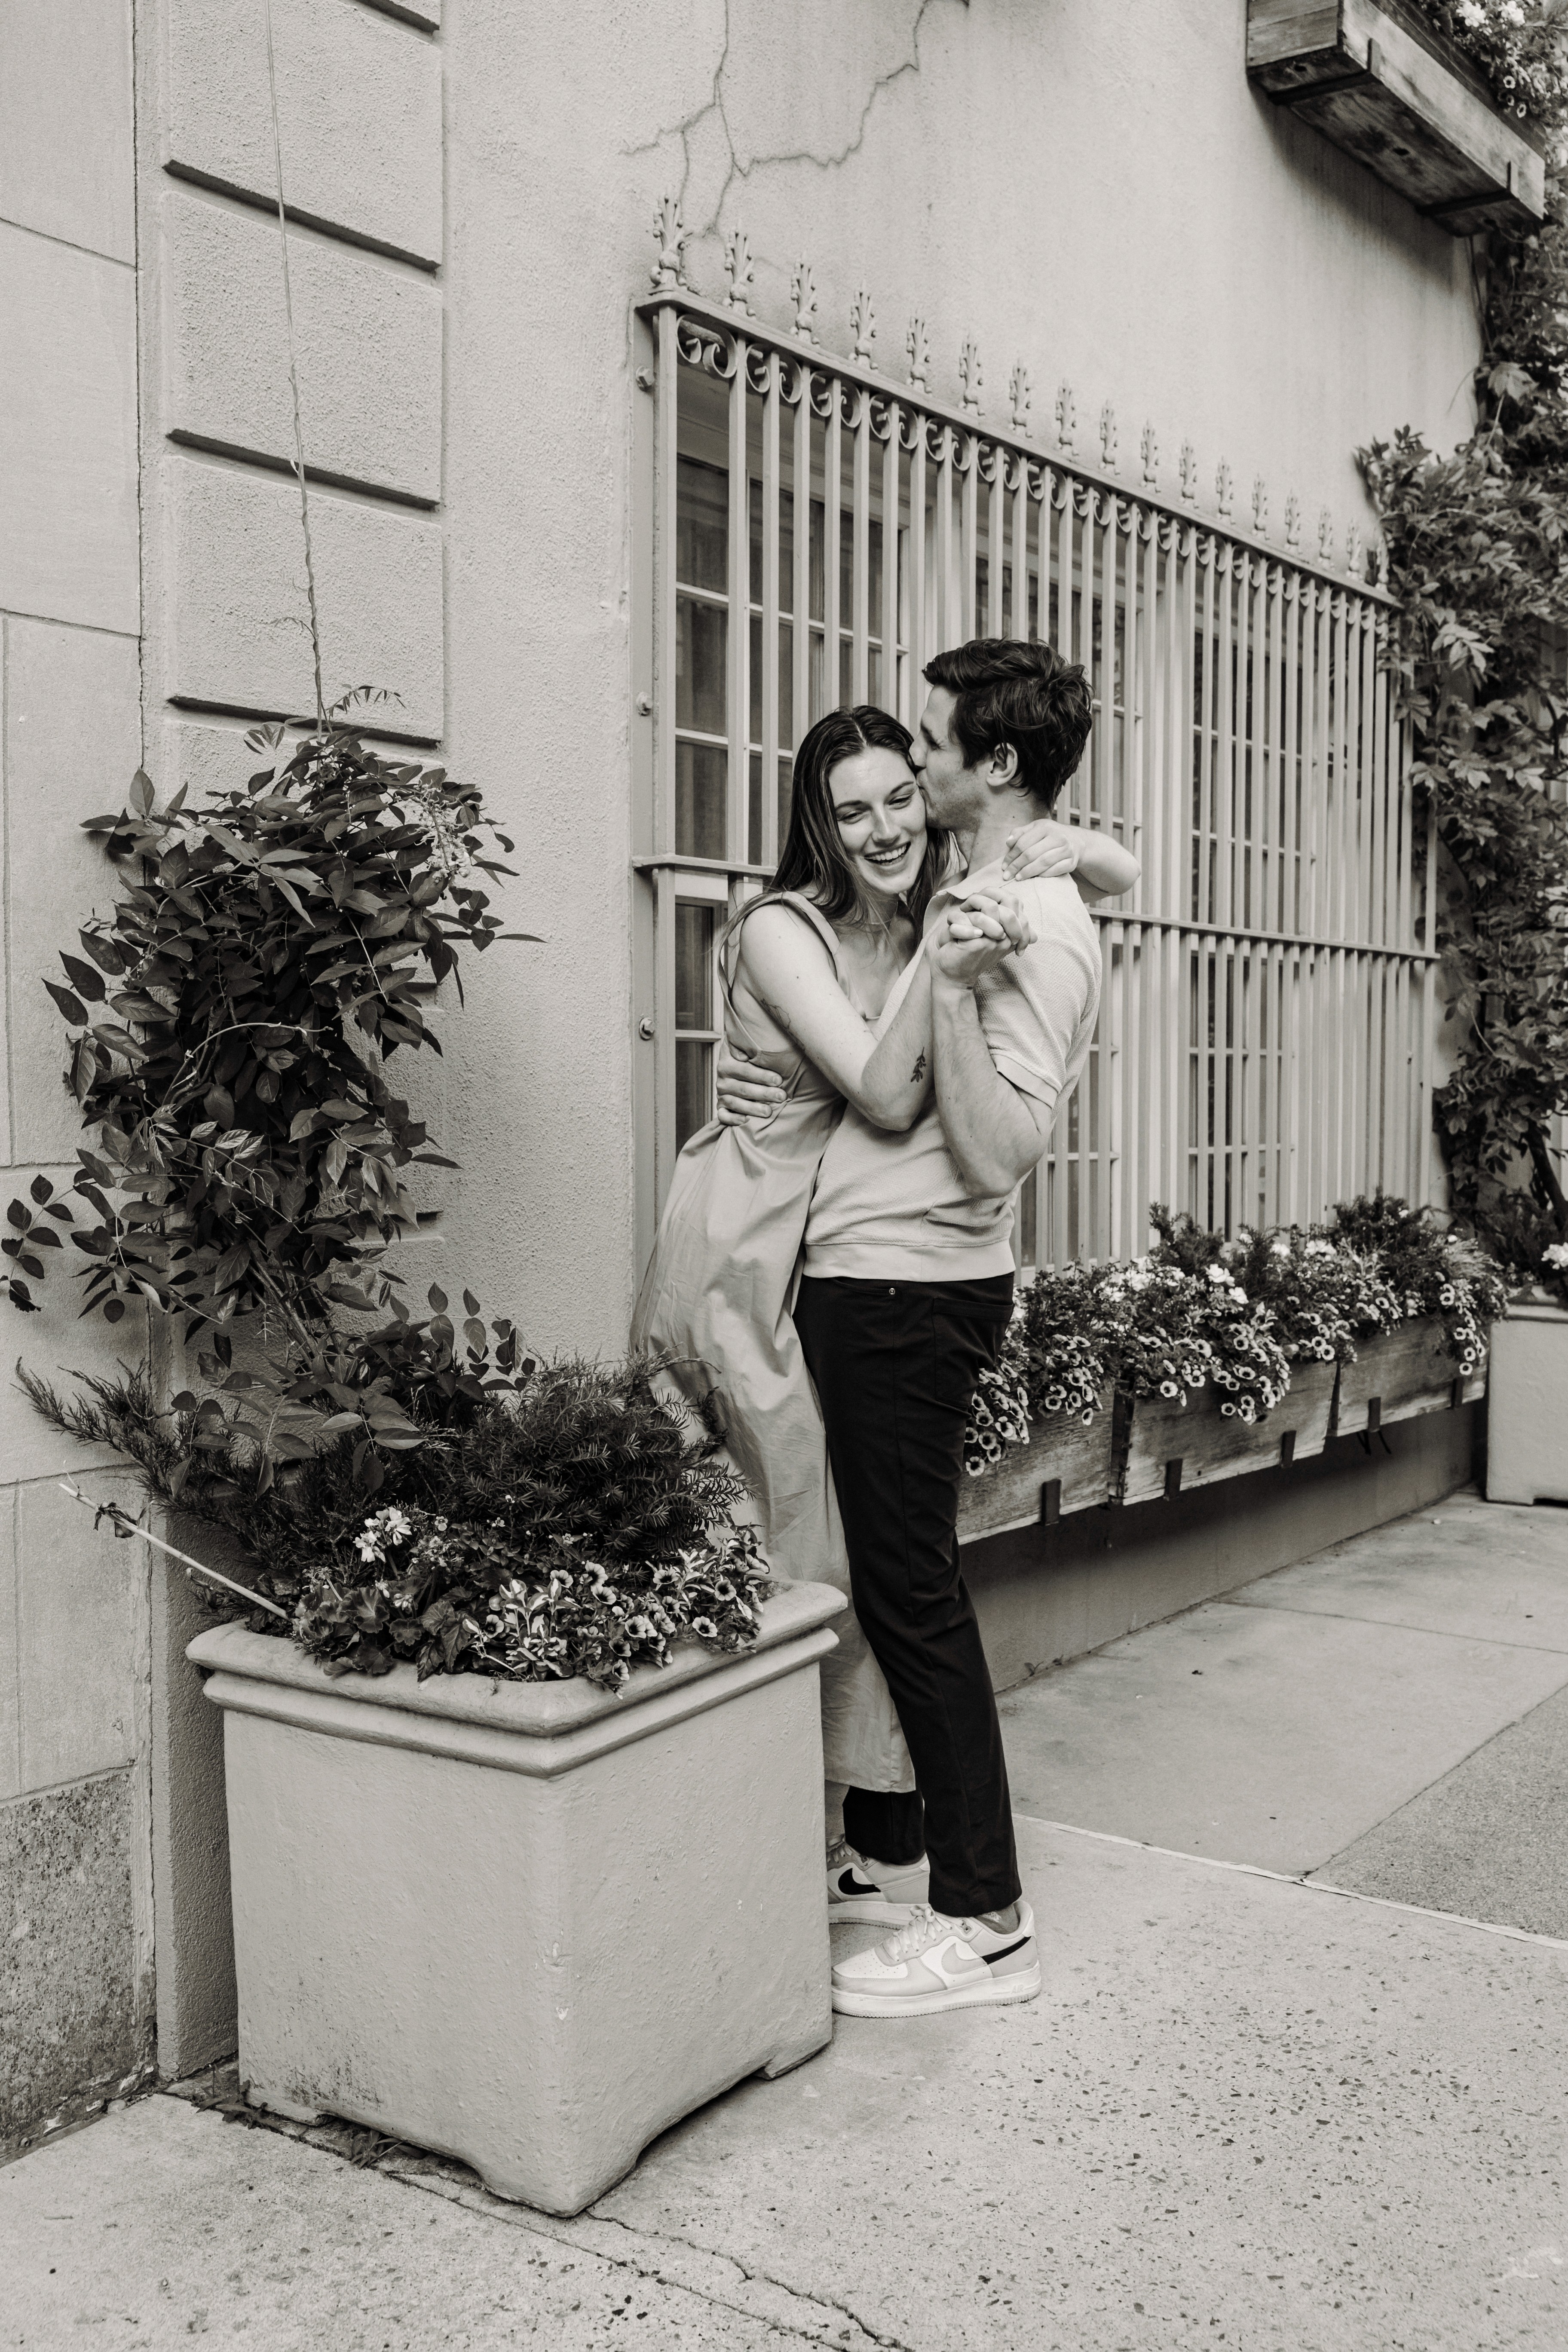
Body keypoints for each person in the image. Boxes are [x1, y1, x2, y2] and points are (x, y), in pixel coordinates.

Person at [631, 694, 1135, 1869]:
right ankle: (782, 1836)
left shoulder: (935, 910)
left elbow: (1103, 871)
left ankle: (873, 1830)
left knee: (865, 1550)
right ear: (817, 819)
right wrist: (956, 939)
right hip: (757, 1246)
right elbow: (888, 1090)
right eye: (850, 810)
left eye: (902, 796)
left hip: (851, 1251)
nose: (883, 828)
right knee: (789, 1533)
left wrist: (1085, 848)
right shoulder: (782, 929)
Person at [773, 637, 1107, 2021]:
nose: (913, 764)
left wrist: (960, 989)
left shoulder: (1022, 928)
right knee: (886, 1571)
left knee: (913, 1594)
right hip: (882, 1282)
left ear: (997, 762)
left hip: (911, 1289)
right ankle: (892, 1850)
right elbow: (1094, 871)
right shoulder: (1001, 881)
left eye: (932, 742)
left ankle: (987, 1922)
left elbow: (1000, 1148)